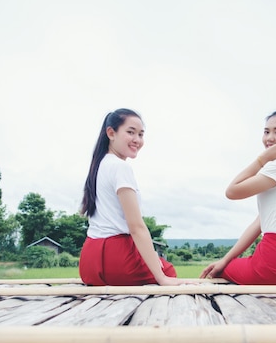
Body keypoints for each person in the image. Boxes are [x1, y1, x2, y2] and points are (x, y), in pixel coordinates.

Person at [200, 109, 276, 285]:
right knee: (229, 265)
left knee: (226, 271)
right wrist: (226, 258)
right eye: (266, 131)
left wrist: (262, 160)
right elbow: (259, 223)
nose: (270, 138)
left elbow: (232, 191)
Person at [79, 108, 192, 286]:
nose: (137, 140)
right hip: (116, 259)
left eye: (140, 134)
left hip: (88, 264)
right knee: (168, 271)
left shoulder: (99, 165)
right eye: (130, 132)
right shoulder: (120, 168)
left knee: (158, 264)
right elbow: (136, 227)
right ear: (111, 133)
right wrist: (161, 277)